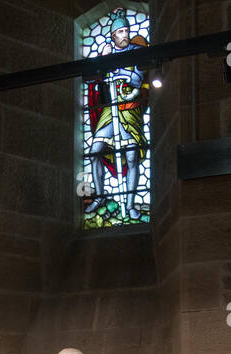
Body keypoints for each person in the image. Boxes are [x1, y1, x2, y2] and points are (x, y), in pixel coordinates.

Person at [83, 8, 150, 220]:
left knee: (131, 156)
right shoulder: (107, 53)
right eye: (120, 32)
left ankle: (130, 205)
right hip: (110, 108)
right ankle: (100, 196)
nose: (125, 35)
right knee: (95, 150)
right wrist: (102, 66)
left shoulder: (136, 52)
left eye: (126, 31)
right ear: (113, 35)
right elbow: (94, 79)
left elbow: (137, 79)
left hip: (129, 110)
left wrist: (122, 74)